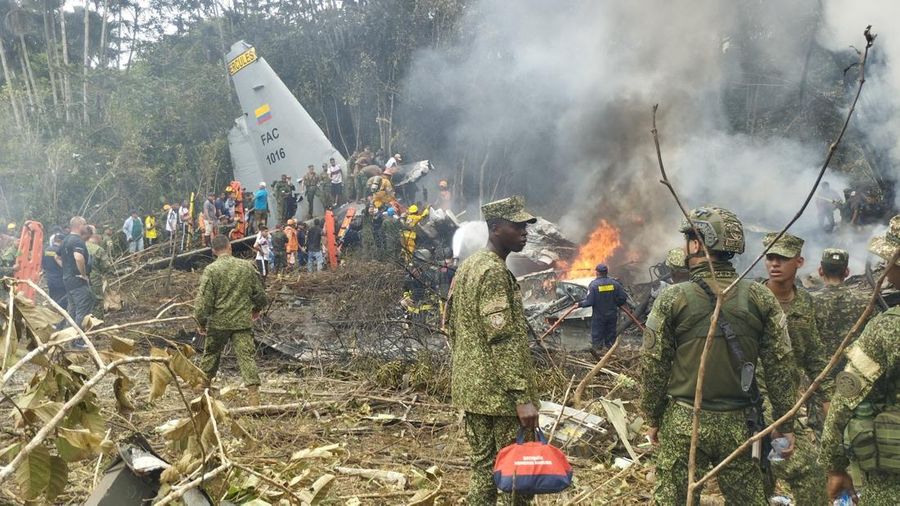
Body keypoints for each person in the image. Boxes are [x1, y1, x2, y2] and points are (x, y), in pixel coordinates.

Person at [640, 206, 798, 504]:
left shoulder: (673, 297)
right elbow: (781, 366)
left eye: (688, 240)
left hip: (685, 422)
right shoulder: (760, 296)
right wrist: (785, 424)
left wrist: (652, 416)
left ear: (696, 244)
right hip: (742, 423)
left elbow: (653, 365)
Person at [446, 196, 540, 505]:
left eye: (526, 227)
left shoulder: (469, 266)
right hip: (501, 400)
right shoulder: (494, 273)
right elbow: (503, 340)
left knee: (483, 472)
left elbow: (450, 324)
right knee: (515, 480)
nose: (525, 233)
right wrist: (522, 398)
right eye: (517, 226)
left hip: (473, 393)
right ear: (496, 228)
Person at [819, 214, 900, 504]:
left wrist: (834, 466)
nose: (885, 267)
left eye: (889, 260)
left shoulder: (889, 326)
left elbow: (847, 396)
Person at [759, 232, 831, 504]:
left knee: (765, 476)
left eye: (782, 258)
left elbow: (813, 353)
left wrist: (827, 396)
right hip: (754, 401)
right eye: (770, 258)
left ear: (799, 262)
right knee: (805, 470)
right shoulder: (752, 299)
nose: (774, 264)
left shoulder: (804, 302)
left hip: (785, 403)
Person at [194, 235, 267, 406]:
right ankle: (254, 396)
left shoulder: (211, 270)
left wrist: (201, 322)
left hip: (218, 323)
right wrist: (256, 309)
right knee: (246, 357)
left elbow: (204, 302)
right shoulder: (246, 267)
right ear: (230, 247)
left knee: (211, 354)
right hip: (241, 322)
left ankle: (202, 386)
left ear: (213, 251)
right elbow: (260, 295)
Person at [812, 248, 870, 377]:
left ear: (820, 271)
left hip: (819, 374)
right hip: (852, 373)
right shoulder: (866, 301)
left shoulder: (809, 301)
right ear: (847, 272)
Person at [577, 263, 628, 352]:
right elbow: (623, 297)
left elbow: (589, 302)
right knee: (611, 336)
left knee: (597, 336)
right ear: (606, 272)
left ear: (597, 273)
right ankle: (611, 353)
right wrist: (616, 304)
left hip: (599, 317)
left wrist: (579, 304)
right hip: (612, 315)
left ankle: (597, 353)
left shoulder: (593, 285)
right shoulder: (615, 284)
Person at [59, 216, 94, 336]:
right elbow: (78, 257)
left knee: (72, 309)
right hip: (78, 281)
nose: (86, 226)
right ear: (79, 225)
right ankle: (79, 339)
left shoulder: (65, 240)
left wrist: (66, 269)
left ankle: (69, 337)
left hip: (68, 279)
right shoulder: (77, 241)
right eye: (85, 224)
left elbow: (57, 257)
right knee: (82, 310)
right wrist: (83, 274)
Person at [84, 228, 111, 319]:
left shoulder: (79, 246)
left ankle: (84, 320)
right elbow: (106, 266)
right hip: (94, 278)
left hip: (80, 278)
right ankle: (97, 321)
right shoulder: (98, 249)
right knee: (98, 299)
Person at [41, 234, 66, 307]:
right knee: (61, 301)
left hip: (50, 279)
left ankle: (52, 311)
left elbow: (43, 264)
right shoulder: (61, 251)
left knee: (53, 298)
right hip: (60, 279)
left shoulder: (46, 250)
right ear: (62, 241)